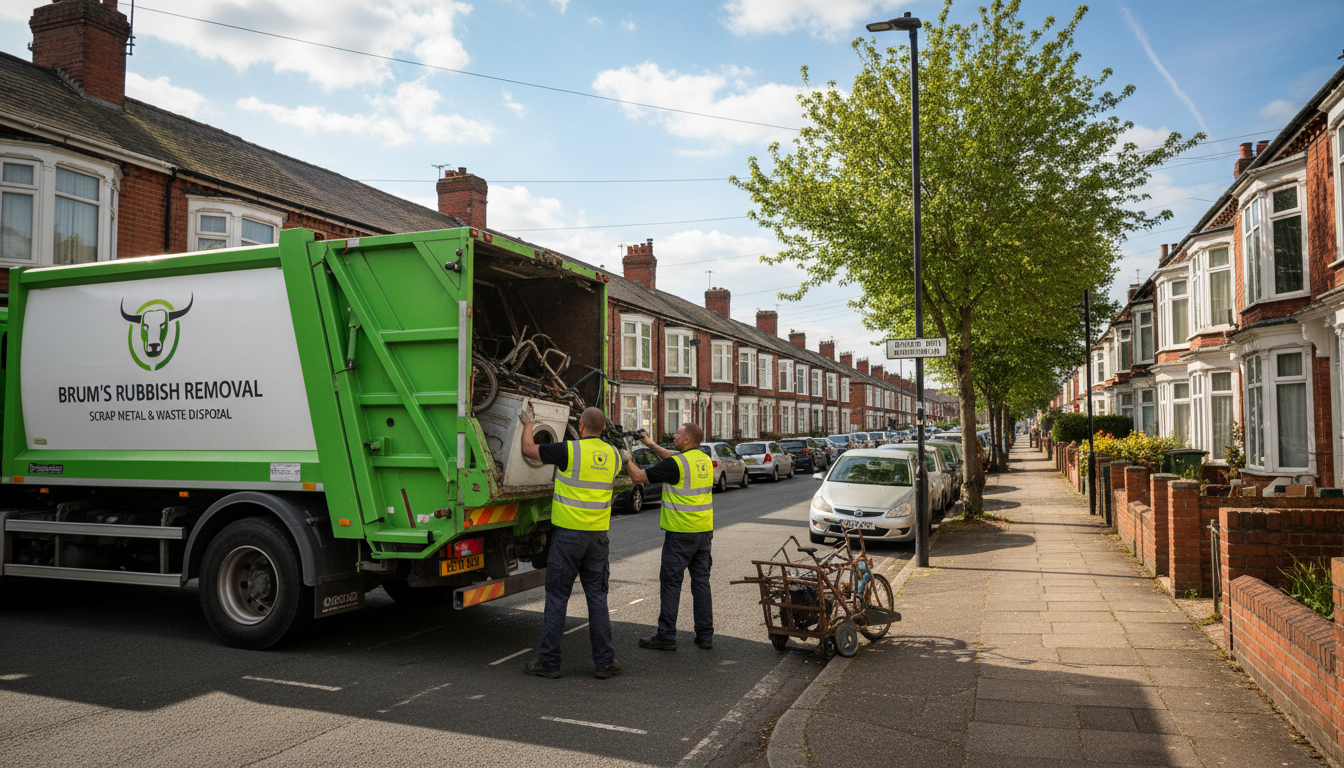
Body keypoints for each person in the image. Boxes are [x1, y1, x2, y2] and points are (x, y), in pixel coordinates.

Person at [519, 404, 623, 680]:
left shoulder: (569, 450)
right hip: (597, 539)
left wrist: (529, 423)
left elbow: (530, 450)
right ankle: (605, 662)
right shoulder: (613, 455)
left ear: (581, 427)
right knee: (598, 599)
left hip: (568, 537)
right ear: (602, 429)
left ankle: (549, 662)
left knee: (557, 597)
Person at [622, 422, 714, 651]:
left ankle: (666, 635)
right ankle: (705, 635)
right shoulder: (702, 459)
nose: (674, 435)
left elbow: (638, 477)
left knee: (671, 584)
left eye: (679, 433)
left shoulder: (677, 464)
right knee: (701, 583)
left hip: (681, 533)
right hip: (703, 532)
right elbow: (672, 456)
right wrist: (650, 443)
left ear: (687, 440)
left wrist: (627, 459)